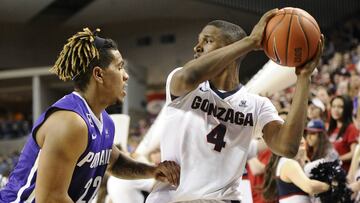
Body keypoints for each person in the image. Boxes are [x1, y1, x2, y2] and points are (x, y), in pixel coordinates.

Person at [146, 8, 325, 202]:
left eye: (207, 40)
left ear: (232, 47)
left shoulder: (257, 105)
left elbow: (287, 147)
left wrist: (303, 78)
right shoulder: (183, 84)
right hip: (174, 198)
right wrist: (250, 42)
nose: (197, 47)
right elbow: (190, 75)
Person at [0, 28, 180, 203]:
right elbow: (50, 199)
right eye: (119, 67)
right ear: (99, 74)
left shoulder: (104, 121)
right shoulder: (71, 122)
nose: (126, 76)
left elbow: (114, 162)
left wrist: (152, 171)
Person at [262, 138, 330, 203]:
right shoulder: (288, 162)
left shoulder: (298, 163)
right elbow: (309, 187)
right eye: (296, 135)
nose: (300, 138)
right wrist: (330, 186)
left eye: (301, 135)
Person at [328, 94, 359, 172]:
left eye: (340, 107)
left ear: (347, 109)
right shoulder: (332, 129)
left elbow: (354, 153)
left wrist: (336, 159)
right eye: (333, 106)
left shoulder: (351, 128)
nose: (336, 110)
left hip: (344, 173)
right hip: (331, 171)